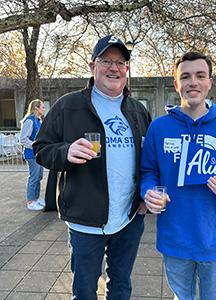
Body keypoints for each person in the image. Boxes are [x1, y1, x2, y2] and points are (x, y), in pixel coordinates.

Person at [33, 35, 151, 299]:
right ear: (92, 66)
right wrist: (66, 151)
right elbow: (41, 149)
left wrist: (145, 196)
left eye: (121, 62)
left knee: (121, 286)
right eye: (106, 60)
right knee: (85, 291)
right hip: (86, 222)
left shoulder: (137, 111)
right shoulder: (69, 105)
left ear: (127, 70)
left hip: (129, 220)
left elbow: (149, 161)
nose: (114, 68)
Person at [140, 51, 216, 300]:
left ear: (210, 82)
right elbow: (149, 172)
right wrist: (148, 192)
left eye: (200, 75)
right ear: (176, 83)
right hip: (175, 239)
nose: (193, 82)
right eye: (186, 76)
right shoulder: (159, 128)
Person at [20, 99, 45, 211]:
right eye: (42, 107)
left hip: (38, 154)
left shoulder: (37, 120)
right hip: (31, 154)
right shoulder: (29, 121)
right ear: (36, 108)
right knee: (33, 177)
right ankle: (30, 201)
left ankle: (36, 199)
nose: (44, 109)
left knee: (38, 177)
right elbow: (23, 139)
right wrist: (35, 146)